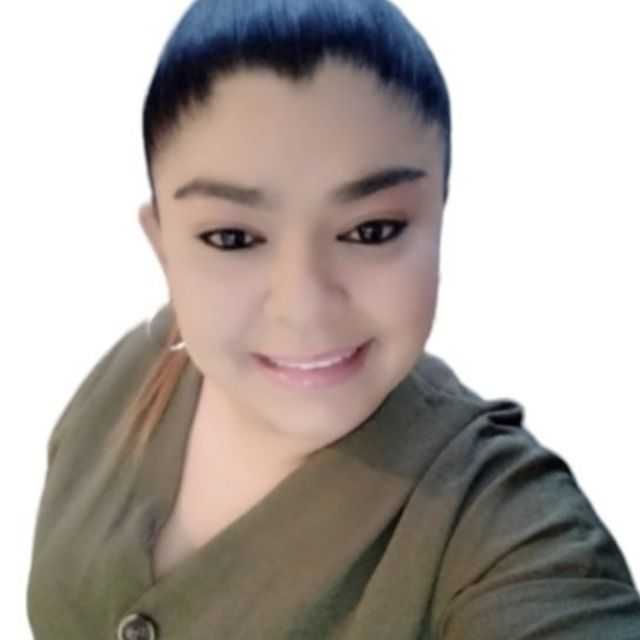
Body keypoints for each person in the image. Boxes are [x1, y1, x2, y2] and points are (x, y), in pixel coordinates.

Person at [26, 0, 640, 638]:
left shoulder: (504, 527)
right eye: (233, 238)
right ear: (163, 245)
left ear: (440, 216)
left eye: (372, 230)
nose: (304, 307)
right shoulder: (129, 376)